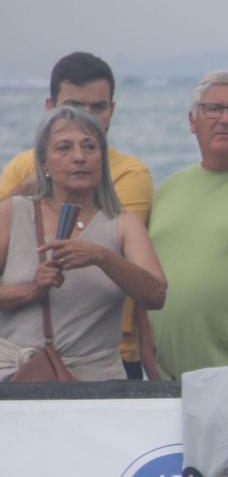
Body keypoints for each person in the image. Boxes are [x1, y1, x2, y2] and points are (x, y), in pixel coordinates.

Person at [0, 52, 155, 377]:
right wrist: (29, 290)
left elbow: (156, 293)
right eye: (64, 148)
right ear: (43, 160)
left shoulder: (122, 222)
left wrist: (101, 256)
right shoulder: (15, 211)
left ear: (103, 158)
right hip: (16, 376)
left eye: (89, 147)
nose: (79, 157)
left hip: (96, 380)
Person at [149, 71, 228, 378]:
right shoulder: (167, 190)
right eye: (213, 108)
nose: (225, 119)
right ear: (192, 121)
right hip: (164, 384)